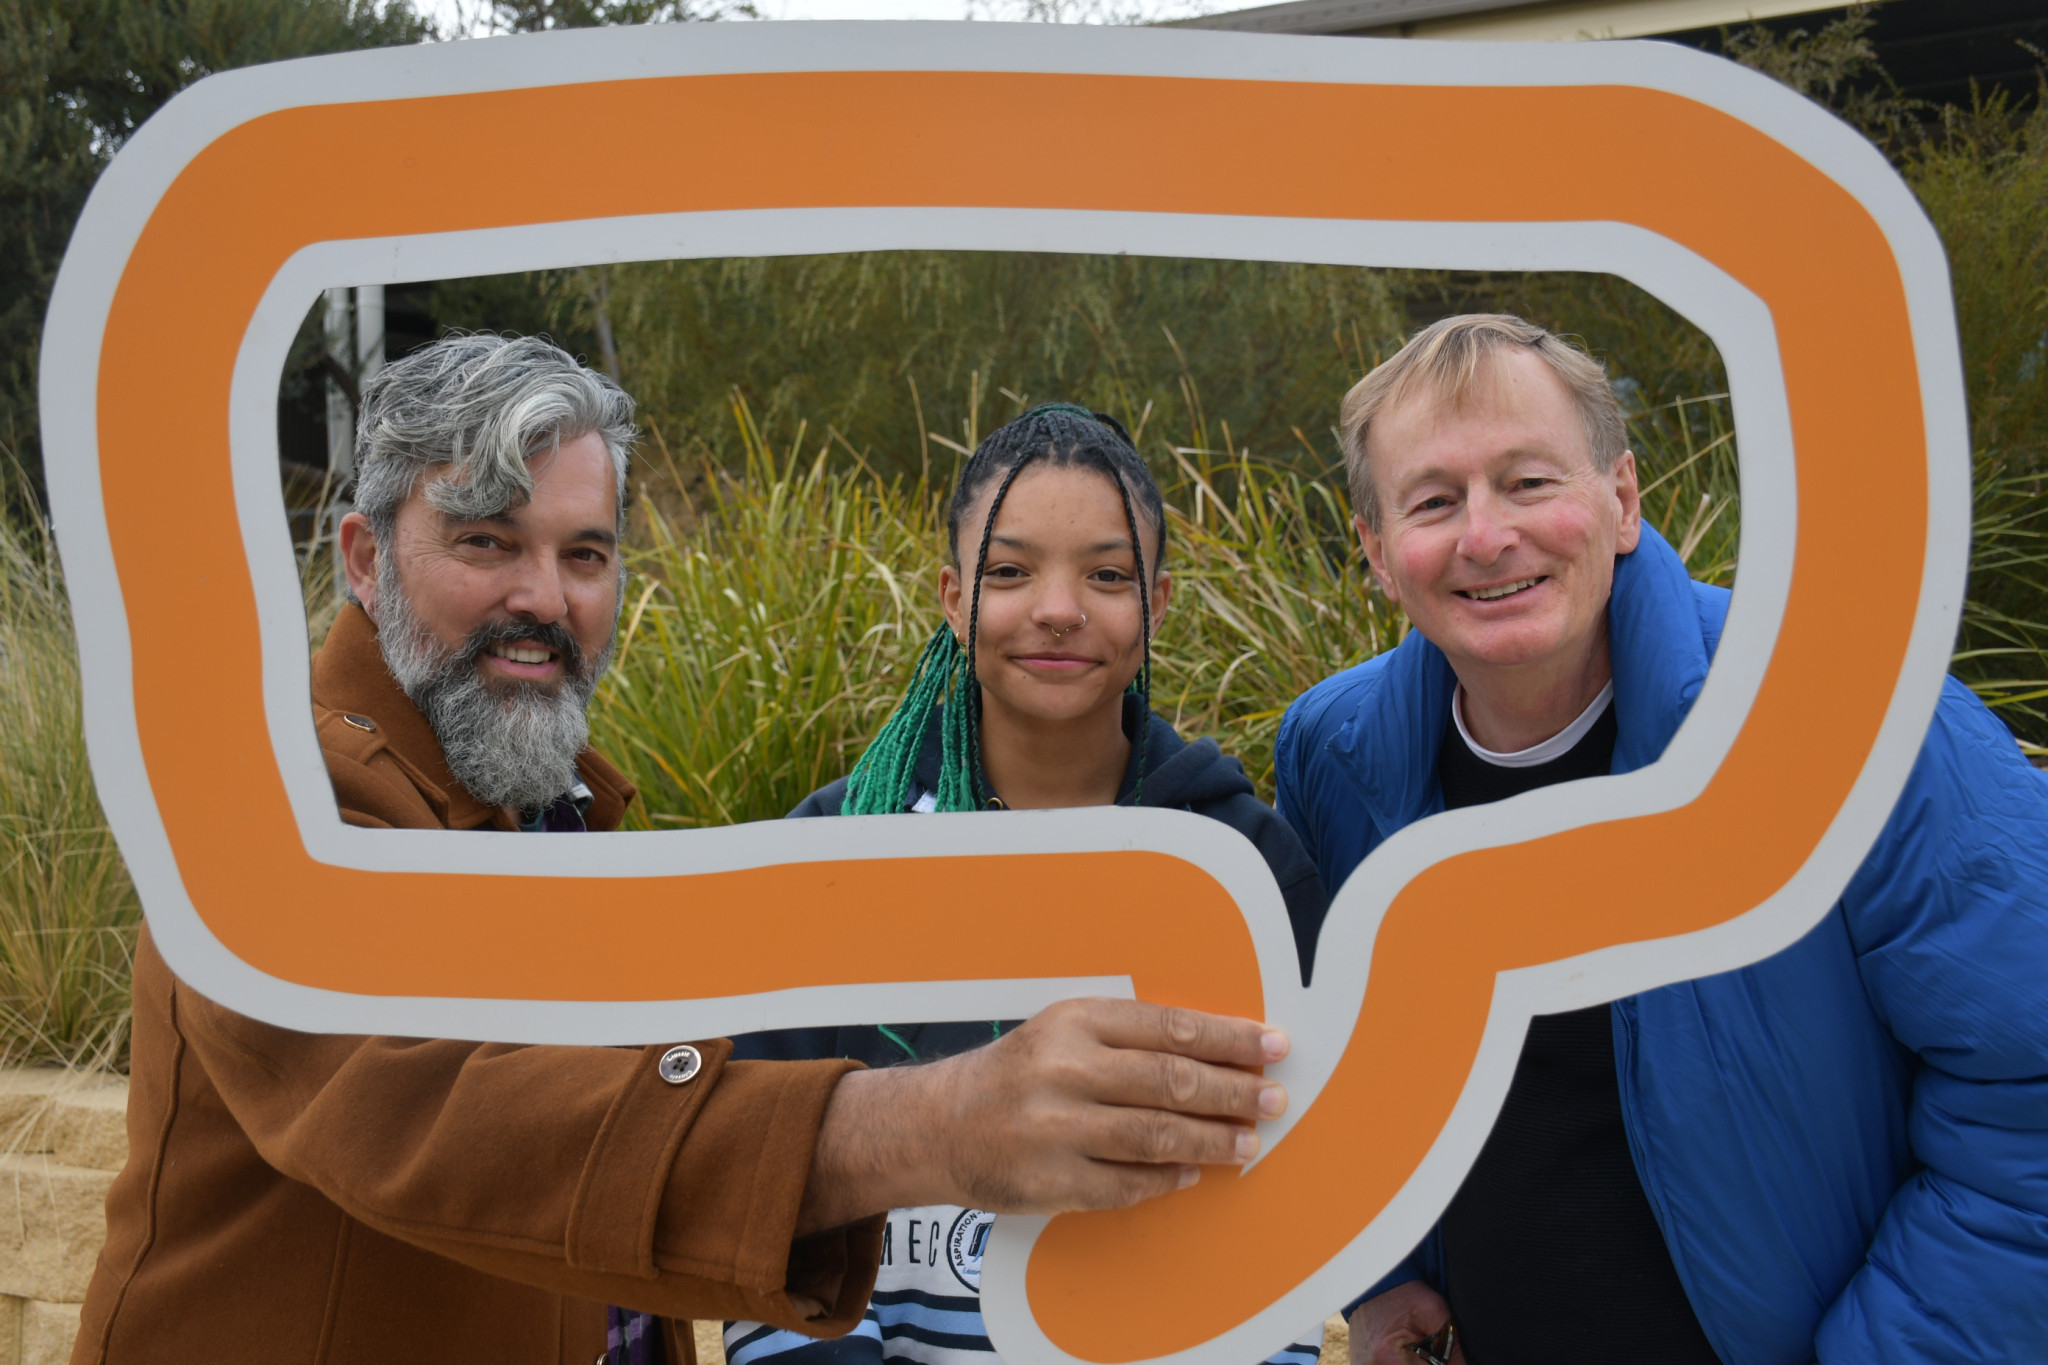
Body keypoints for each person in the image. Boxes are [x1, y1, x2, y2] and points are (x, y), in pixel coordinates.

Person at [76, 340, 1295, 1365]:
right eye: (487, 542)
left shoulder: (550, 812)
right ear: (362, 557)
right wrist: (938, 1125)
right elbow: (449, 1121)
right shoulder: (280, 811)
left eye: (585, 553)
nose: (545, 599)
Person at [1276, 315, 2048, 1365]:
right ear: (1373, 550)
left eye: (1528, 481)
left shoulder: (1851, 719)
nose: (1486, 535)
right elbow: (1333, 1057)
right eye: (1432, 501)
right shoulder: (1334, 755)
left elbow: (2024, 1100)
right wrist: (1379, 1276)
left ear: (1621, 500)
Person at [722, 405, 1329, 1365]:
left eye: (1107, 573)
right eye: (1010, 571)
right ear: (952, 597)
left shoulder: (1244, 867)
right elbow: (761, 1177)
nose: (1057, 607)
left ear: (1159, 602)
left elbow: (1288, 1200)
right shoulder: (838, 851)